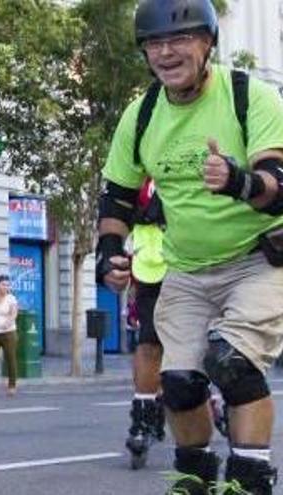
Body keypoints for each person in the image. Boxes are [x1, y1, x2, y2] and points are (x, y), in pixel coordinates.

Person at [96, 1, 283, 492]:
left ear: (208, 43)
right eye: (154, 43)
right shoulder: (141, 117)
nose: (166, 52)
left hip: (257, 261)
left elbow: (278, 180)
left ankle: (249, 478)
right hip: (187, 271)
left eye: (179, 40)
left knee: (232, 362)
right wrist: (108, 252)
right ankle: (193, 477)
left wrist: (240, 182)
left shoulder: (249, 97)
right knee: (178, 384)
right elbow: (115, 196)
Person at [124, 179, 167, 469]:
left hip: (199, 262)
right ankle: (143, 416)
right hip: (151, 266)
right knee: (149, 341)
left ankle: (212, 400)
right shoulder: (138, 160)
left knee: (206, 346)